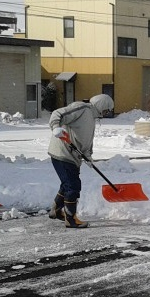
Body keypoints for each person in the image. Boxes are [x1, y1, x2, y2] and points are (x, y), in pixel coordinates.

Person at [48, 94, 114, 228]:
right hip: (63, 152)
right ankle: (71, 219)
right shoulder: (82, 108)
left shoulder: (92, 118)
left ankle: (55, 211)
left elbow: (86, 141)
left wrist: (88, 156)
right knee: (73, 186)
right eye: (107, 109)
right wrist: (56, 127)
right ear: (101, 105)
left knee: (67, 184)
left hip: (72, 156)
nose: (107, 113)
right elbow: (58, 114)